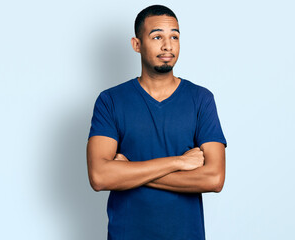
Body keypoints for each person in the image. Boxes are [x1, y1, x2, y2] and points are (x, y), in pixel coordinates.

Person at [87, 5, 227, 240]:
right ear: (136, 44)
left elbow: (214, 178)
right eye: (157, 36)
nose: (168, 45)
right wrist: (179, 162)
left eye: (174, 36)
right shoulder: (110, 100)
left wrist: (128, 171)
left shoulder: (201, 99)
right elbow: (100, 177)